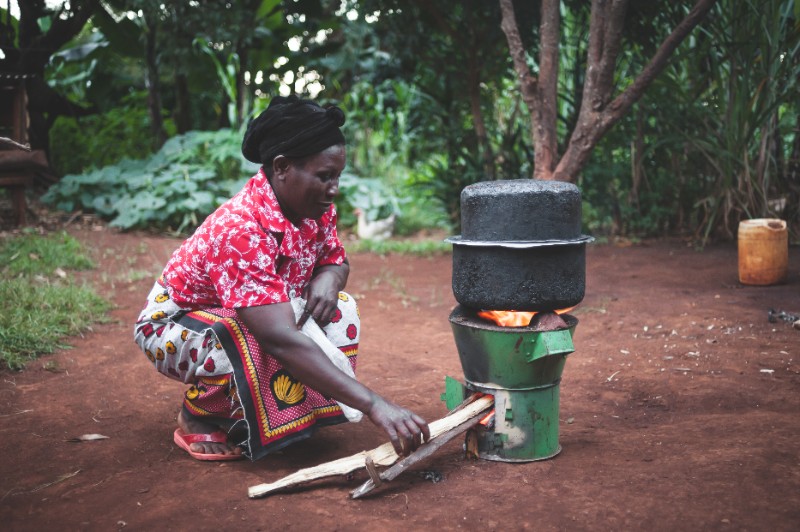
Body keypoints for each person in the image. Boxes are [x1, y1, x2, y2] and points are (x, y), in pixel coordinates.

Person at [134, 96, 429, 461]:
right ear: (282, 167)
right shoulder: (240, 229)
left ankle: (288, 412)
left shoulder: (315, 209)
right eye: (325, 176)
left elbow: (336, 260)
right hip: (173, 326)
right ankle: (198, 415)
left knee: (340, 309)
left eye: (337, 176)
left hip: (256, 313)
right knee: (245, 330)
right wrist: (373, 404)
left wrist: (330, 278)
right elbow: (278, 338)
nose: (334, 188)